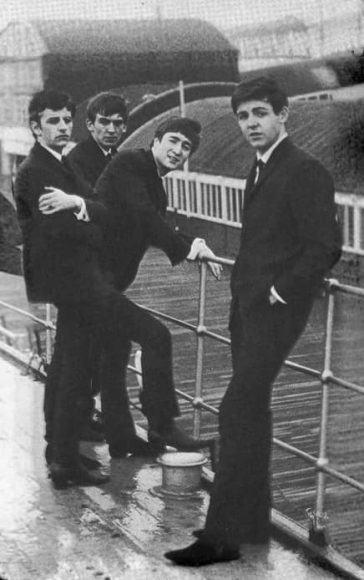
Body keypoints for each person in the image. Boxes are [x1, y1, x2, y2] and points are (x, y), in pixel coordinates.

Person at [164, 76, 342, 566]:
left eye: (259, 113)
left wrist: (279, 291)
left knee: (235, 411)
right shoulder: (258, 168)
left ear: (283, 114)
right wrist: (248, 294)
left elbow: (325, 246)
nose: (250, 125)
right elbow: (260, 242)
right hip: (248, 308)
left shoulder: (304, 170)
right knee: (252, 412)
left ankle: (220, 538)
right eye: (243, 117)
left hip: (276, 311)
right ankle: (253, 524)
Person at [37, 107, 221, 461]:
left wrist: (192, 240)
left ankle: (122, 439)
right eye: (173, 141)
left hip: (100, 283)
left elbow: (142, 222)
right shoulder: (129, 164)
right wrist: (187, 248)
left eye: (186, 147)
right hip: (87, 281)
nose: (178, 150)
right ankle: (162, 425)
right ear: (155, 142)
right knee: (156, 336)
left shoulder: (152, 182)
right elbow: (142, 215)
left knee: (114, 352)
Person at [14, 89, 111, 488]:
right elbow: (62, 229)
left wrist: (82, 208)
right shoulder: (37, 171)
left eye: (67, 119)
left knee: (65, 369)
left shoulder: (62, 164)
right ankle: (65, 463)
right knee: (73, 369)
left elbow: (97, 204)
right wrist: (91, 220)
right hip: (68, 280)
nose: (63, 126)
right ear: (36, 127)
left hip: (72, 278)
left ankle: (60, 452)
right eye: (53, 121)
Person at [67, 92, 128, 442]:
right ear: (90, 125)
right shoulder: (77, 160)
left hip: (109, 268)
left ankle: (88, 412)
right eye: (104, 122)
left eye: (118, 123)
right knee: (85, 342)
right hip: (86, 268)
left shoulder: (118, 159)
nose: (111, 129)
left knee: (100, 341)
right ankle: (79, 415)